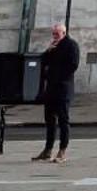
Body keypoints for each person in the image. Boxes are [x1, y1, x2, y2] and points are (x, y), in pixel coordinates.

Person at [33, 21, 80, 164]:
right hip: (51, 90)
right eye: (53, 34)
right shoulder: (54, 46)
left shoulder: (71, 45)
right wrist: (48, 50)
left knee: (63, 120)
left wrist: (56, 75)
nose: (54, 36)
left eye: (57, 34)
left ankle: (62, 151)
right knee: (49, 120)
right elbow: (42, 61)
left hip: (63, 89)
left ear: (64, 33)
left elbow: (73, 65)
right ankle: (47, 150)